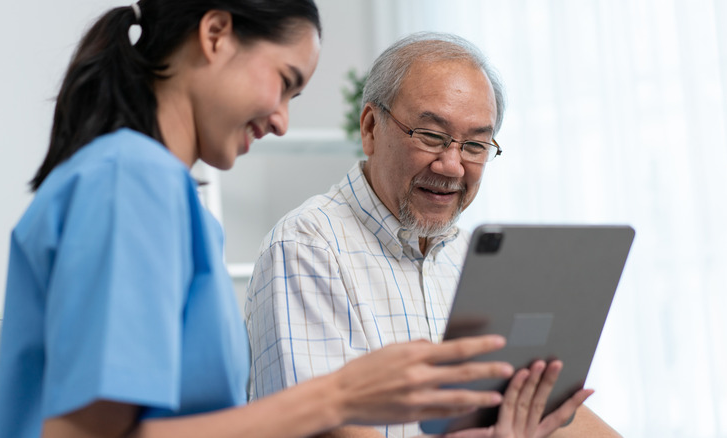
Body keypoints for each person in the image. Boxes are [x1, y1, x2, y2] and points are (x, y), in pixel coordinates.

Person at [0, 3, 558, 438]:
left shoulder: (166, 198)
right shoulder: (130, 181)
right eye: (285, 82)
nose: (283, 121)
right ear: (215, 35)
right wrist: (340, 395)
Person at [245, 32, 620, 437]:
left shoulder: (473, 258)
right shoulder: (307, 246)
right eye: (432, 136)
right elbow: (324, 429)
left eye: (475, 145)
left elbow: (539, 408)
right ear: (371, 127)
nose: (452, 166)